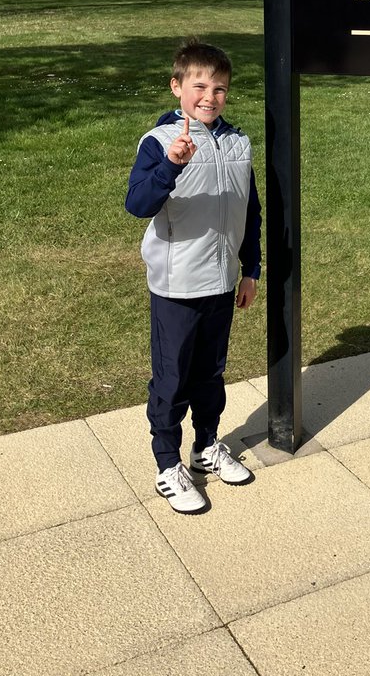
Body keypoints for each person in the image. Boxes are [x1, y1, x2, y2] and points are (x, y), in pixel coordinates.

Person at [125, 38, 261, 514]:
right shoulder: (160, 143)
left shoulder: (238, 142)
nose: (209, 96)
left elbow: (250, 211)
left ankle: (206, 447)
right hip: (177, 285)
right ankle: (168, 464)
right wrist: (170, 167)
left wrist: (251, 270)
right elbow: (137, 204)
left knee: (211, 374)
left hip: (223, 283)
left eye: (219, 88)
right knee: (172, 378)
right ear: (176, 87)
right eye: (198, 85)